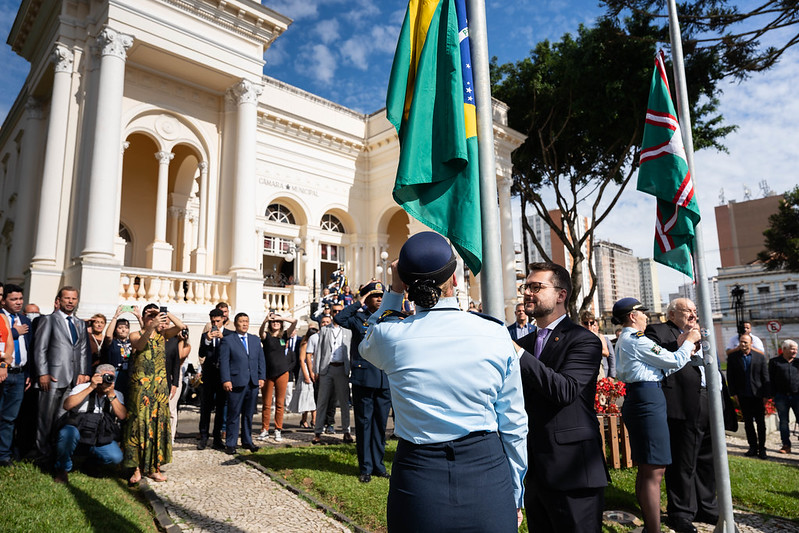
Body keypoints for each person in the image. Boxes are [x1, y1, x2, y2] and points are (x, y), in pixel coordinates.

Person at [360, 231, 527, 530]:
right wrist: (515, 490)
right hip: (487, 473)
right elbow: (514, 423)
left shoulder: (391, 337)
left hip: (418, 476)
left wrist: (394, 291)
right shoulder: (495, 333)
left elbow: (370, 335)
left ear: (406, 285)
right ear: (455, 279)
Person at [516, 262, 609, 532]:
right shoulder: (523, 344)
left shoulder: (583, 340)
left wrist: (518, 355)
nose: (528, 293)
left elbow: (564, 390)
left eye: (537, 287)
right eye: (526, 287)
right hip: (535, 471)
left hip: (573, 471)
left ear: (561, 295)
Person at [615, 297, 700, 533]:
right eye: (642, 313)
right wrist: (689, 342)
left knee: (648, 468)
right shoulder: (636, 339)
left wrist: (682, 347)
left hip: (644, 397)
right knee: (654, 469)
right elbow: (672, 361)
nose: (646, 316)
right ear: (632, 316)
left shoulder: (629, 339)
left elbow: (662, 366)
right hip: (647, 400)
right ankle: (653, 530)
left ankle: (650, 527)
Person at [645, 298, 718, 532]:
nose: (693, 315)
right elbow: (658, 358)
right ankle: (681, 512)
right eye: (687, 311)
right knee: (683, 460)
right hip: (682, 401)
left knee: (707, 458)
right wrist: (685, 340)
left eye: (695, 311)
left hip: (708, 397)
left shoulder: (702, 332)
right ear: (672, 314)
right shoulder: (657, 331)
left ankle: (707, 506)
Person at [336, 280, 392, 482]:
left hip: (384, 378)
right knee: (364, 424)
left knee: (380, 424)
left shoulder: (389, 318)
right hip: (364, 378)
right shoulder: (357, 318)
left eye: (381, 296)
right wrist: (358, 302)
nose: (379, 299)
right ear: (367, 298)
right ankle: (366, 467)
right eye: (374, 296)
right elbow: (339, 318)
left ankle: (379, 465)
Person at [124, 304, 185, 484]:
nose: (152, 318)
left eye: (154, 315)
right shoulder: (135, 334)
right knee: (138, 425)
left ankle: (153, 467)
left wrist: (165, 313)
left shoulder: (163, 335)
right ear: (142, 318)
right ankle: (136, 468)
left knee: (157, 425)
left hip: (159, 386)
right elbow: (140, 344)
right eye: (149, 315)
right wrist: (151, 326)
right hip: (141, 387)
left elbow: (181, 326)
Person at [33, 286, 91, 457]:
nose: (70, 301)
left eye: (74, 298)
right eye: (67, 298)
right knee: (46, 417)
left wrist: (82, 372)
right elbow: (40, 348)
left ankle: (57, 452)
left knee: (63, 418)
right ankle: (41, 452)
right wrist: (42, 373)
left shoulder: (80, 323)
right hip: (52, 377)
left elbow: (82, 350)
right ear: (59, 300)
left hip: (73, 379)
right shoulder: (49, 320)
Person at [52, 364, 127, 483]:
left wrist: (111, 395)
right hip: (78, 431)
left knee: (116, 457)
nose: (107, 380)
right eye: (104, 376)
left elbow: (122, 415)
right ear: (96, 376)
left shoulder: (116, 394)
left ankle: (91, 463)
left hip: (98, 436)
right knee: (67, 433)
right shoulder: (82, 388)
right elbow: (67, 405)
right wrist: (91, 387)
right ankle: (62, 468)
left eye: (110, 377)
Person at [219, 313, 264, 454]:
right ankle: (231, 443)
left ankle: (247, 441)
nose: (244, 324)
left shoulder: (255, 340)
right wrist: (226, 379)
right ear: (236, 323)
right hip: (236, 381)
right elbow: (224, 362)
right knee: (233, 414)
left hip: (252, 382)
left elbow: (260, 360)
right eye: (242, 321)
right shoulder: (228, 340)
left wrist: (261, 377)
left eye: (246, 321)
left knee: (248, 414)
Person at [310, 303, 353, 444]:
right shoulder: (325, 330)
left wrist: (350, 369)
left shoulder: (348, 330)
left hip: (342, 368)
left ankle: (346, 431)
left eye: (340, 311)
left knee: (344, 402)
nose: (337, 314)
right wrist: (316, 370)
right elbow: (319, 351)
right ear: (331, 313)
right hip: (327, 368)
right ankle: (318, 431)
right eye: (335, 311)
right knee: (322, 401)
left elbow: (351, 351)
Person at [0, 284, 30, 466]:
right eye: (13, 299)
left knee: (10, 418)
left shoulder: (25, 320)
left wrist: (28, 373)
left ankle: (3, 455)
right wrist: (13, 332)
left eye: (20, 299)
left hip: (19, 375)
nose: (18, 302)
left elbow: (31, 348)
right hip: (2, 371)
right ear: (4, 301)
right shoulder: (1, 318)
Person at [727, 334, 770, 459]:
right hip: (743, 396)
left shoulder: (759, 357)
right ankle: (752, 447)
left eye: (745, 342)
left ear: (751, 343)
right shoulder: (733, 357)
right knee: (748, 423)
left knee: (761, 423)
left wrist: (766, 395)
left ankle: (762, 448)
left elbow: (765, 376)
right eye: (741, 342)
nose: (743, 344)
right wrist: (734, 394)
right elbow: (730, 377)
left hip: (757, 396)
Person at [197, 308, 234, 450]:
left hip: (222, 375)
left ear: (223, 319)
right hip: (209, 374)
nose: (215, 324)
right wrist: (207, 340)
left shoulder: (230, 335)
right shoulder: (205, 335)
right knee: (205, 407)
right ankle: (204, 436)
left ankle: (217, 437)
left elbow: (233, 352)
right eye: (213, 321)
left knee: (221, 407)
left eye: (217, 321)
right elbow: (201, 353)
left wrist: (223, 338)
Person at [257, 312, 297, 442]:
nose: (275, 323)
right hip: (268, 373)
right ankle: (264, 429)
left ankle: (278, 429)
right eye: (273, 321)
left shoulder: (284, 335)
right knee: (266, 404)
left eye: (278, 322)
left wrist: (281, 318)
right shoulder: (266, 336)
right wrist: (265, 320)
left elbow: (294, 322)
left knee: (280, 404)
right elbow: (260, 332)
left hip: (282, 372)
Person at [769, 339, 799, 454]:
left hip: (797, 396)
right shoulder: (775, 362)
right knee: (783, 422)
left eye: (796, 349)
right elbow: (770, 379)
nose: (795, 351)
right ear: (784, 349)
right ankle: (786, 445)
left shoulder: (797, 362)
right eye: (792, 349)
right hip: (781, 397)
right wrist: (772, 395)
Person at [308, 315, 336, 433]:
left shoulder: (335, 336)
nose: (325, 324)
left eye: (327, 322)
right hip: (319, 373)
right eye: (323, 322)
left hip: (333, 371)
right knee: (319, 399)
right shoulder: (314, 337)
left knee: (332, 400)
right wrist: (312, 372)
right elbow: (309, 355)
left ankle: (330, 423)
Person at [288, 324, 317, 428]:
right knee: (306, 396)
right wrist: (306, 375)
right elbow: (301, 360)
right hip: (306, 371)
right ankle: (304, 419)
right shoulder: (305, 344)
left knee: (314, 397)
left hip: (314, 369)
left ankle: (314, 419)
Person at [165, 325, 190, 443]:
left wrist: (180, 340)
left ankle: (171, 436)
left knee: (171, 408)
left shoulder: (186, 346)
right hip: (164, 374)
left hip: (175, 375)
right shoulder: (167, 342)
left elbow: (179, 356)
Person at [579, 310, 613, 380]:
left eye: (591, 323)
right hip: (583, 370)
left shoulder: (600, 336)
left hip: (598, 370)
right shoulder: (578, 337)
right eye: (586, 323)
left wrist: (591, 349)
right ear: (582, 323)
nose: (589, 325)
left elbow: (606, 353)